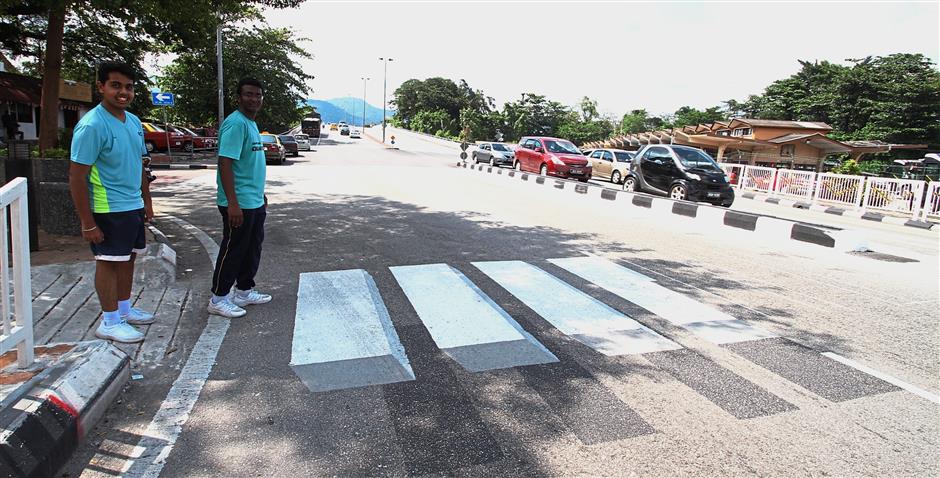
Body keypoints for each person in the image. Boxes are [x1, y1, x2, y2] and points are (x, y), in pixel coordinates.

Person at [69, 61, 155, 343]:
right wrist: (87, 222)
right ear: (101, 87)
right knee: (107, 261)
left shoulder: (132, 121)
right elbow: (77, 177)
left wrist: (147, 202)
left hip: (132, 206)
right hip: (107, 208)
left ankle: (124, 310)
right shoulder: (92, 126)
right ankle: (109, 321)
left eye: (128, 87)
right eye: (116, 85)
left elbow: (140, 165)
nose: (123, 92)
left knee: (128, 258)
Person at [207, 77, 272, 318]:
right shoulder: (236, 124)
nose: (254, 99)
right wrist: (232, 202)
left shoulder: (251, 123)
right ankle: (219, 297)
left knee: (251, 248)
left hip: (253, 200)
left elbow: (249, 164)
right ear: (238, 97)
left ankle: (244, 291)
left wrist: (260, 194)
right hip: (238, 203)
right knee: (233, 250)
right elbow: (225, 162)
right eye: (248, 94)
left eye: (258, 95)